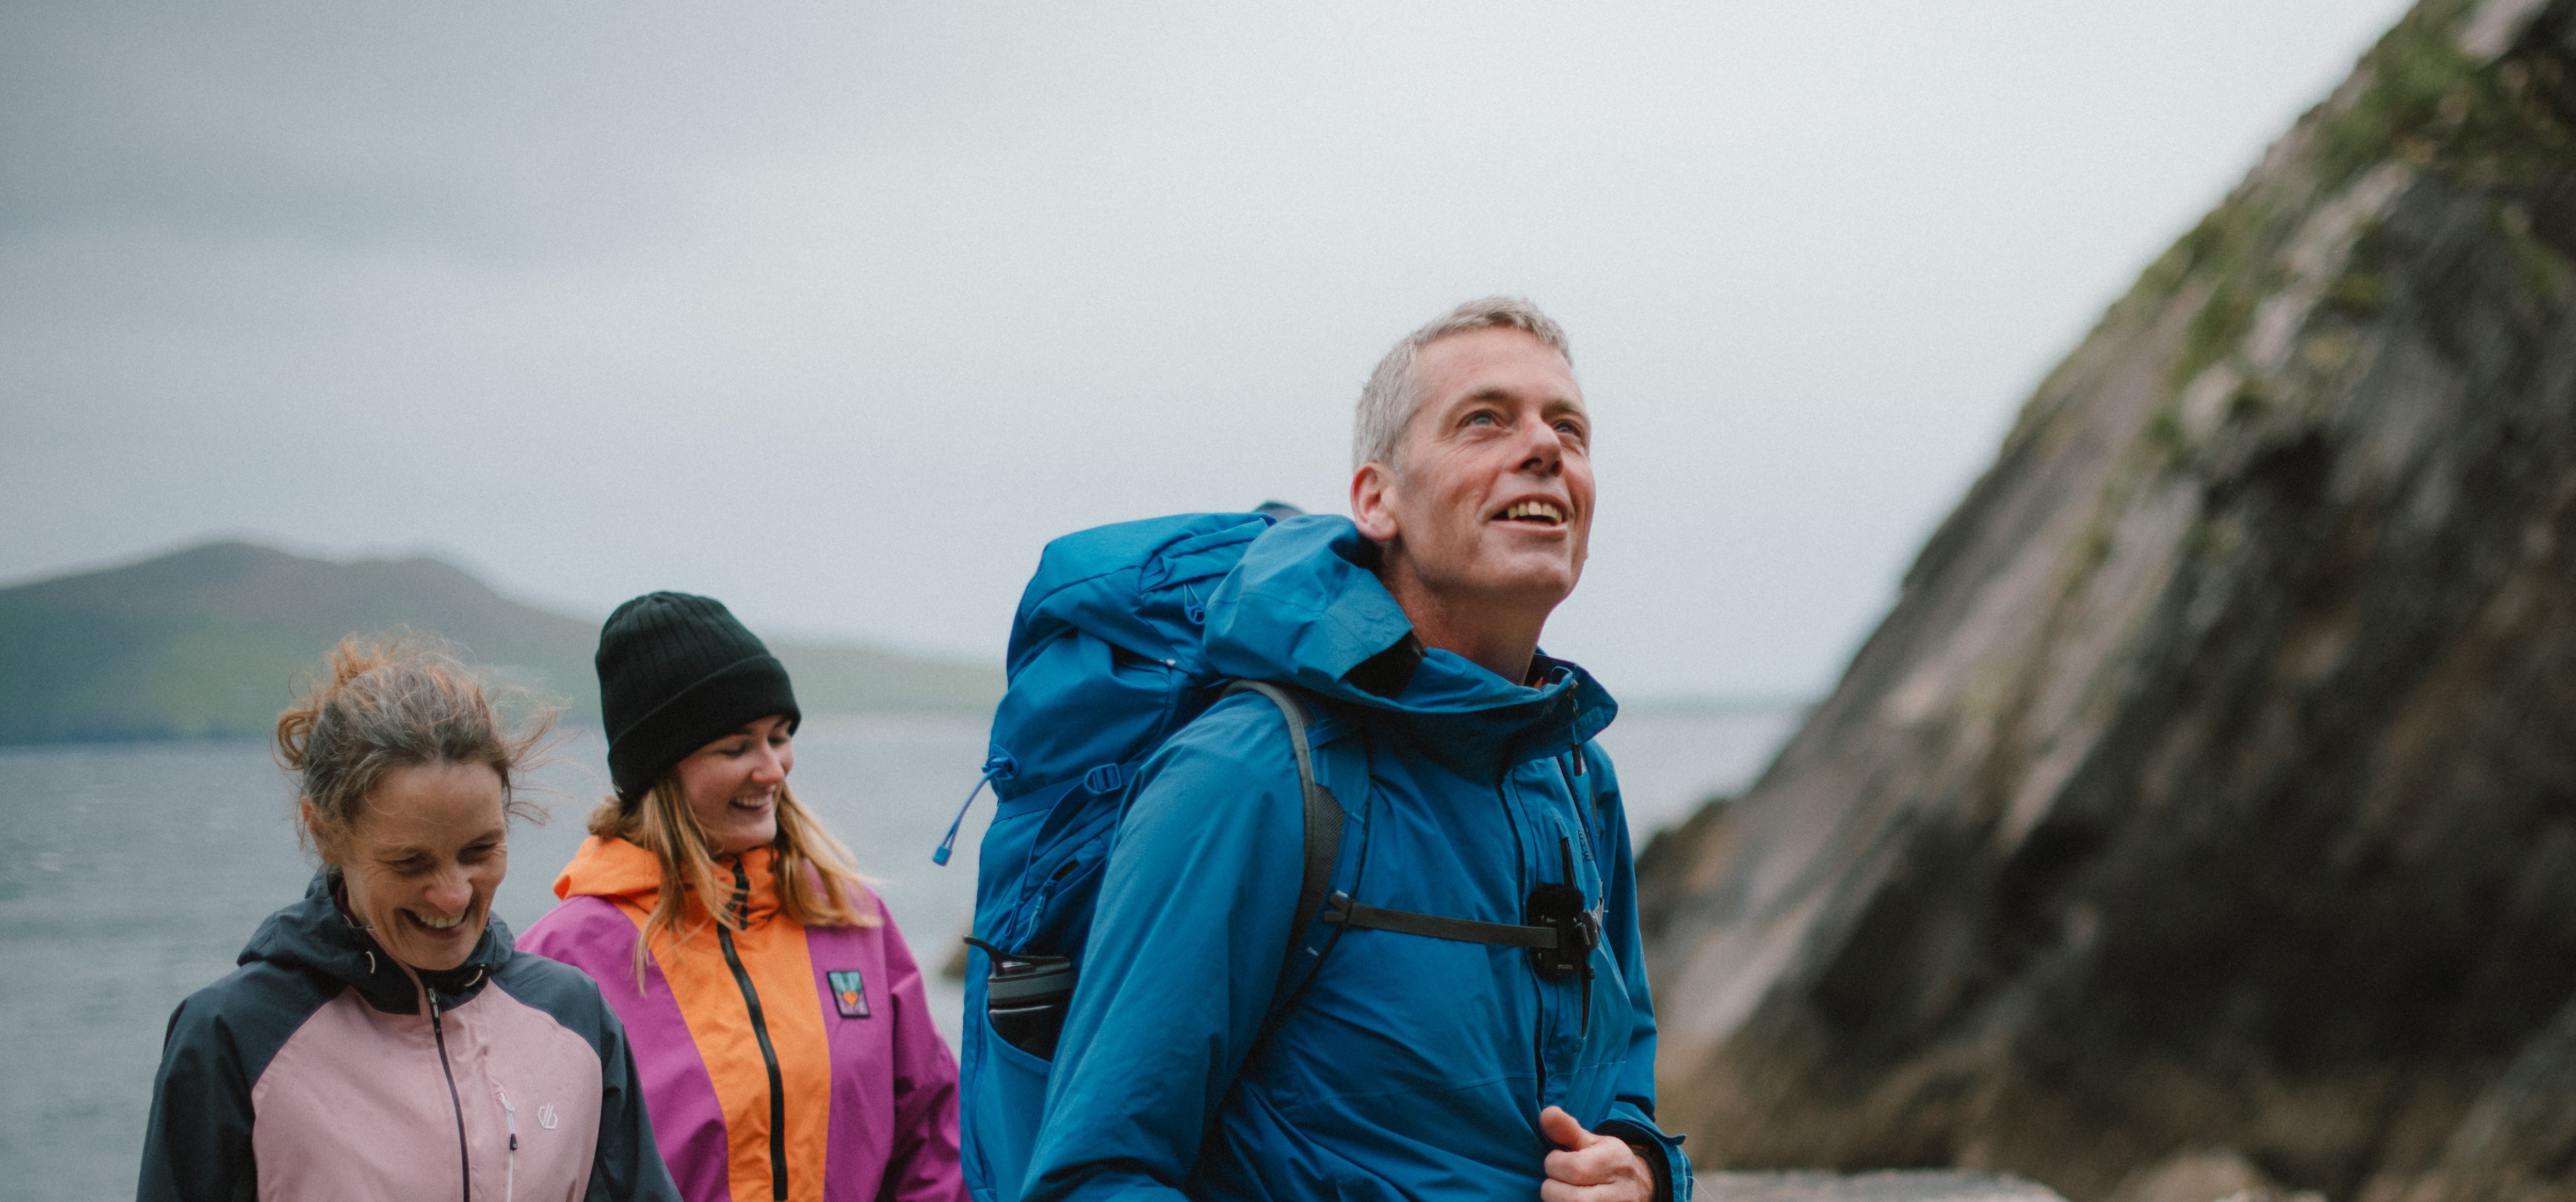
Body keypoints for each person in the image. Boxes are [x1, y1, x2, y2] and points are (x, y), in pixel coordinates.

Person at [1019, 298, 1692, 1201]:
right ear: (1377, 501)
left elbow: (1622, 1087)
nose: (1545, 447)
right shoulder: (1253, 774)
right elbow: (1094, 1175)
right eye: (1484, 419)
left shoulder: (1575, 777)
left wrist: (1643, 1171)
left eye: (1568, 427)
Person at [136, 637, 682, 1202]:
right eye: (410, 862)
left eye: (479, 851)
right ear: (324, 832)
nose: (452, 895)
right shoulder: (232, 1038)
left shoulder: (574, 1016)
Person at [519, 592, 962, 1202]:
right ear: (660, 768)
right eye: (735, 747)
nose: (773, 769)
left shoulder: (851, 918)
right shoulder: (562, 958)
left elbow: (932, 1133)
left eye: (779, 737)